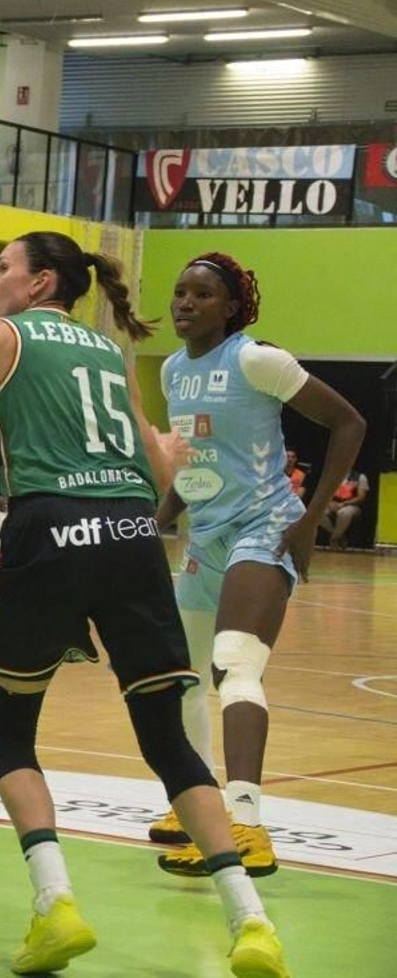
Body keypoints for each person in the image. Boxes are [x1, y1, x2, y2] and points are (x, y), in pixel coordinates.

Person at [0, 230, 289, 977]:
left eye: (3, 269)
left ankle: (56, 905)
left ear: (41, 282)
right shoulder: (110, 350)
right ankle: (253, 921)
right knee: (170, 741)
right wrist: (169, 459)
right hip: (130, 535)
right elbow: (155, 469)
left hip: (49, 529)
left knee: (12, 736)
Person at [150, 252, 367, 874]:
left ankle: (246, 826)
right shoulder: (170, 370)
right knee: (183, 673)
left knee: (235, 667)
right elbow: (192, 463)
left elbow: (348, 423)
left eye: (201, 295)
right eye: (179, 292)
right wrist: (157, 523)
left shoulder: (255, 359)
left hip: (265, 527)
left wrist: (310, 519)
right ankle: (193, 805)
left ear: (232, 306)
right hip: (206, 534)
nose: (184, 304)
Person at [320, 470, 369, 548]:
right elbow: (324, 493)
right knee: (318, 514)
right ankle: (340, 535)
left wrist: (344, 504)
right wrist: (329, 504)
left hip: (352, 506)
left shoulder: (360, 477)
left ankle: (334, 539)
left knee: (343, 513)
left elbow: (361, 497)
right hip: (333, 504)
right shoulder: (331, 475)